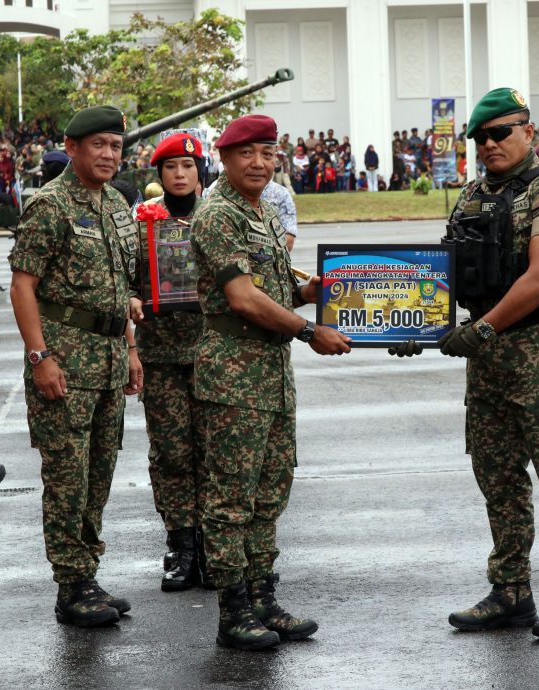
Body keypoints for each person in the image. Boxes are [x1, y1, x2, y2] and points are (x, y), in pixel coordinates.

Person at [433, 87, 539, 640]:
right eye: (480, 137)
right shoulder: (472, 195)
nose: (489, 144)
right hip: (484, 356)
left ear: (528, 132)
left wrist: (481, 330)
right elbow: (444, 275)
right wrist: (415, 321)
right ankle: (510, 591)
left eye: (500, 133)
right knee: (497, 475)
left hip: (535, 352)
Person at [190, 114, 352, 651]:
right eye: (247, 154)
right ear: (224, 156)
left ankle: (263, 596)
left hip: (269, 375)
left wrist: (326, 290)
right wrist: (310, 330)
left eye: (268, 153)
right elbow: (242, 298)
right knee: (231, 498)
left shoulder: (259, 211)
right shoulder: (218, 213)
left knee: (269, 492)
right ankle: (232, 609)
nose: (259, 163)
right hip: (233, 375)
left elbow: (276, 290)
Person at [8, 105, 142, 627]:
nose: (110, 155)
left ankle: (87, 572)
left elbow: (121, 289)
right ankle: (70, 587)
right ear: (73, 146)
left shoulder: (114, 203)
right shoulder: (50, 204)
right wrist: (40, 357)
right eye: (99, 145)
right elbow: (24, 285)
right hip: (64, 363)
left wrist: (130, 349)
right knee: (67, 477)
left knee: (98, 475)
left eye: (116, 145)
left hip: (108, 361)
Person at [130, 132, 210, 592]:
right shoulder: (142, 224)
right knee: (171, 454)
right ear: (158, 175)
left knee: (212, 454)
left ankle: (213, 546)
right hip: (160, 355)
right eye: (170, 168)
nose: (179, 175)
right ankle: (181, 546)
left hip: (211, 355)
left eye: (187, 167)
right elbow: (121, 277)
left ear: (201, 172)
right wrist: (130, 299)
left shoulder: (217, 220)